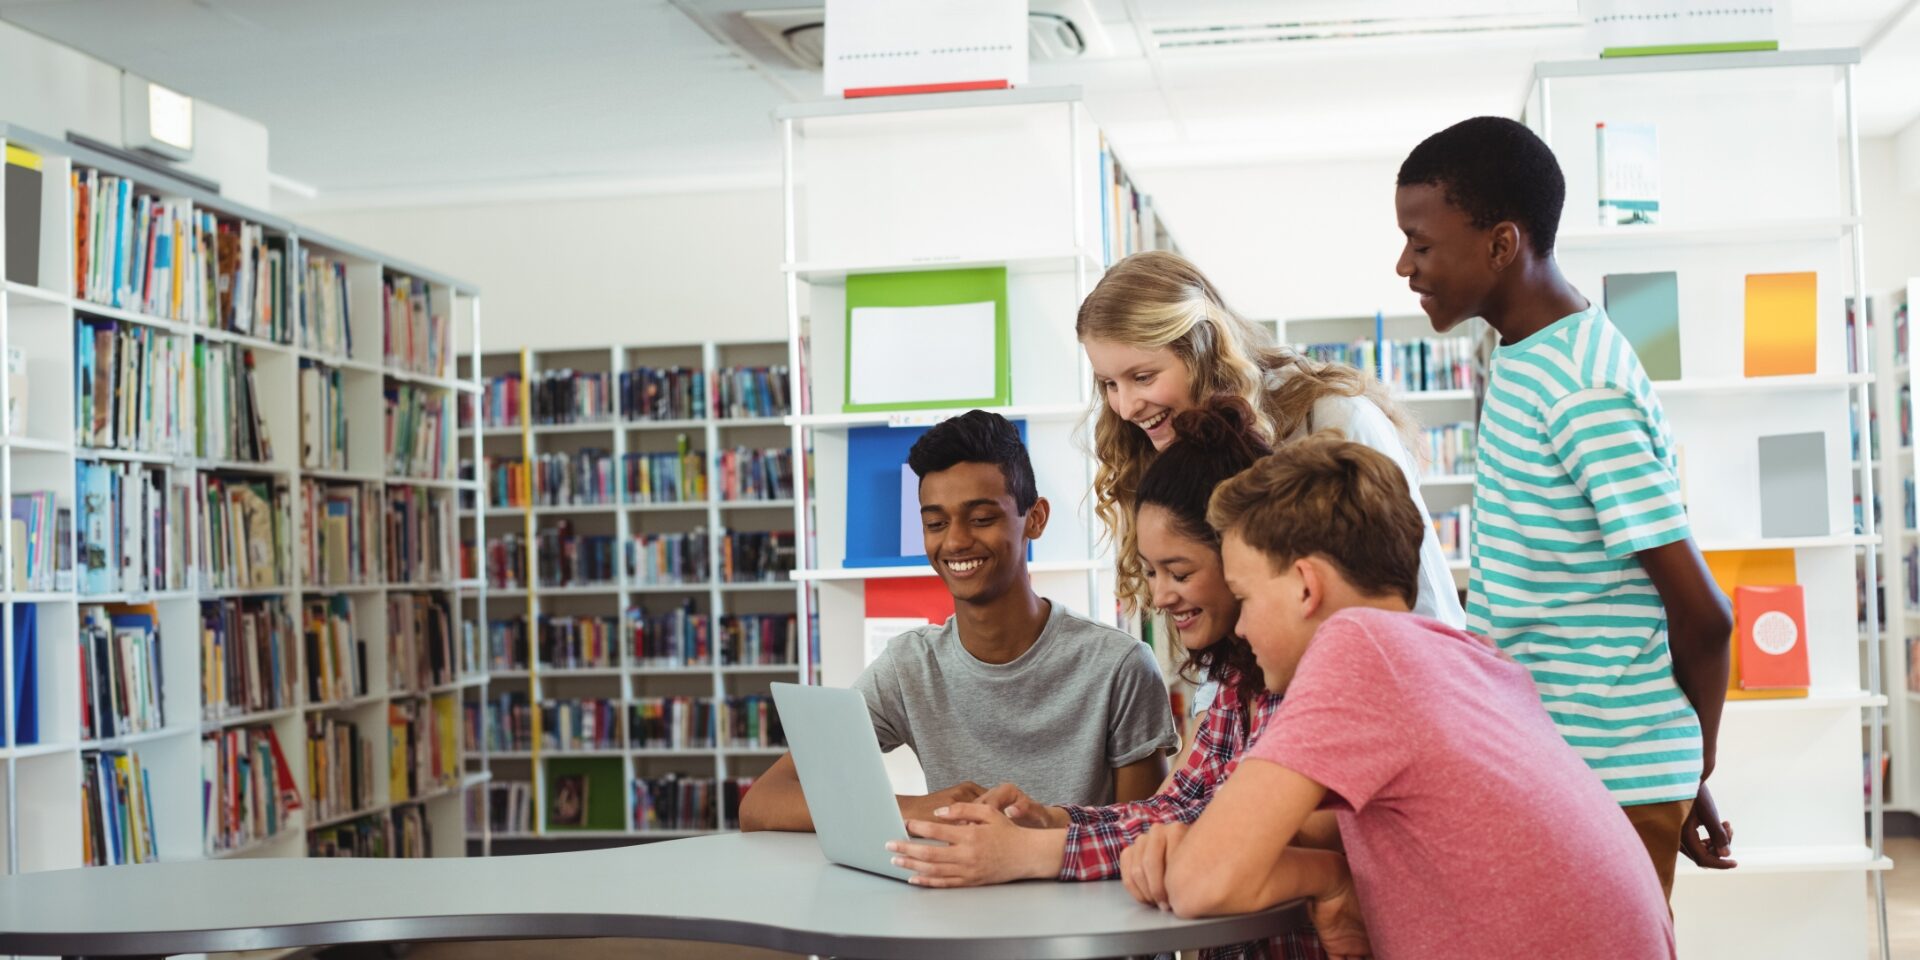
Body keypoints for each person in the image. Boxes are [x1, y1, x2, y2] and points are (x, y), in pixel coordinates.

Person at [1130, 435, 1676, 960]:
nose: (1242, 628)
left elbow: (1201, 882)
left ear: (1305, 586)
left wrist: (1331, 880)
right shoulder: (1468, 659)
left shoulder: (1359, 649)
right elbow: (1324, 828)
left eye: (1245, 597)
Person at [1394, 115, 1737, 895]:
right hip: (1576, 763)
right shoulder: (1521, 353)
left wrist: (1688, 760)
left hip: (1607, 774)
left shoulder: (1582, 387)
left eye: (1421, 242)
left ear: (1500, 244)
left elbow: (1704, 612)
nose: (1404, 265)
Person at [884, 399, 1327, 959]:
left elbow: (1213, 849)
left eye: (1179, 571)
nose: (1161, 596)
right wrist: (1052, 822)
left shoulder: (1302, 683)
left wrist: (1025, 852)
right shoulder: (1238, 686)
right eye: (1149, 571)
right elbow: (1177, 811)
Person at [739, 410, 1178, 831]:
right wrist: (917, 809)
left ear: (1035, 519)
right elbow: (764, 801)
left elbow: (1140, 833)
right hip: (950, 901)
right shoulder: (910, 666)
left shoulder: (1119, 666)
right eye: (935, 523)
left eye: (982, 518)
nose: (956, 541)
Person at [1076, 249, 1464, 630]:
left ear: (1203, 348)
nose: (1126, 408)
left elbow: (1427, 605)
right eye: (1109, 384)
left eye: (1143, 378)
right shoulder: (1156, 446)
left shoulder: (1335, 419)